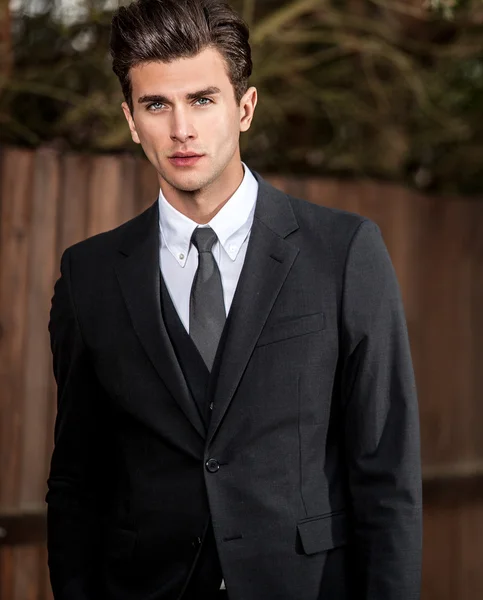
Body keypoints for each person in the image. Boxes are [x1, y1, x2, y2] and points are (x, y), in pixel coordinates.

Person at [46, 0, 422, 599]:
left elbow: (387, 472)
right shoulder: (89, 275)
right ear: (130, 118)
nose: (181, 130)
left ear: (244, 108)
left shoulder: (343, 253)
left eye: (202, 99)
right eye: (156, 105)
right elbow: (77, 481)